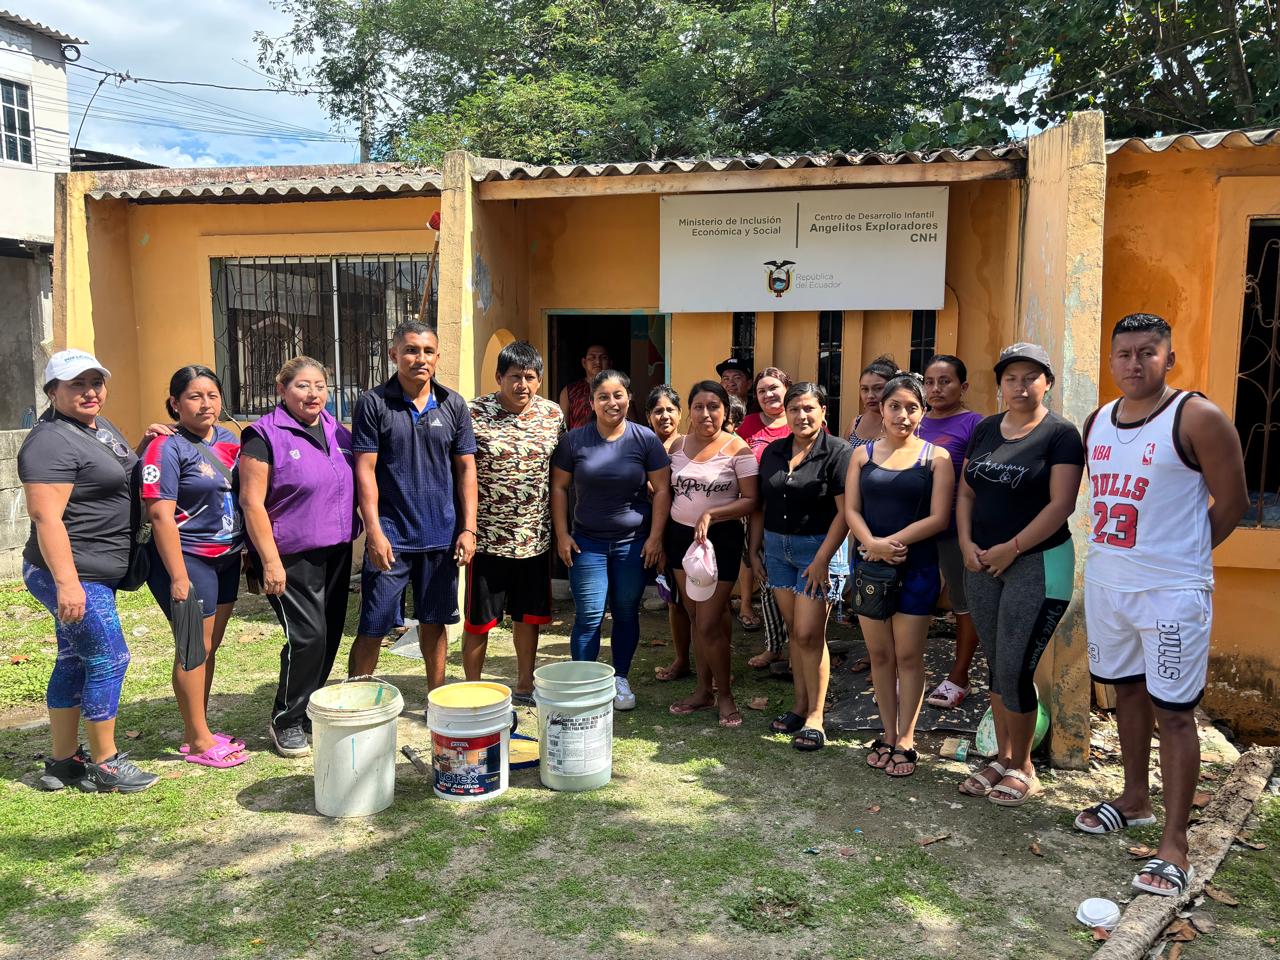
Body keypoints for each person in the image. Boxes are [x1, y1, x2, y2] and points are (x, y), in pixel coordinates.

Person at [1075, 313, 1247, 897]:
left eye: (1147, 352)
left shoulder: (1196, 416)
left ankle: (1175, 843)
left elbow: (1233, 502)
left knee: (1174, 712)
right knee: (1125, 692)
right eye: (1123, 353)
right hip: (1109, 584)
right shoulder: (1098, 420)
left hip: (1171, 593)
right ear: (1111, 360)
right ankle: (1134, 799)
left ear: (1169, 358)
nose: (1134, 363)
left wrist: (1182, 558)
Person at [20, 350, 159, 793]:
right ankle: (105, 764)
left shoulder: (96, 427)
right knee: (108, 658)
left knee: (73, 658)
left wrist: (144, 445)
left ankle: (63, 762)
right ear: (52, 391)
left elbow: (110, 476)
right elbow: (46, 517)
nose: (90, 392)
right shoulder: (49, 442)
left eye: (96, 382)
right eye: (76, 384)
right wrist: (67, 584)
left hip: (95, 571)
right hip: (74, 573)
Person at [956, 343, 1085, 806]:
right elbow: (967, 492)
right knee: (997, 663)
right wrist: (966, 542)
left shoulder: (1060, 435)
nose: (1020, 386)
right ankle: (1003, 756)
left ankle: (1024, 767)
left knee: (1016, 666)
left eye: (1031, 377)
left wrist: (1012, 549)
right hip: (982, 562)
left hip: (1037, 563)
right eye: (1011, 378)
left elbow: (1062, 504)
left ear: (1047, 382)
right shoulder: (986, 429)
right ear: (1000, 384)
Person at [347, 321, 477, 691]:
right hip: (391, 537)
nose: (420, 358)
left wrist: (468, 529)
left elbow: (466, 469)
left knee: (434, 623)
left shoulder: (453, 404)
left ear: (437, 356)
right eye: (411, 350)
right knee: (373, 626)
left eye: (427, 351)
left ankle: (436, 699)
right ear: (394, 354)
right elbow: (365, 471)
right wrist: (374, 532)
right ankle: (357, 701)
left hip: (441, 536)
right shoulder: (373, 403)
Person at [239, 357, 359, 758]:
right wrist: (269, 561)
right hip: (289, 556)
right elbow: (251, 502)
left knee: (329, 633)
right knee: (308, 636)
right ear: (282, 390)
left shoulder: (337, 431)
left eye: (320, 386)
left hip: (336, 550)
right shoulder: (263, 435)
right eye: (302, 386)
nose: (313, 394)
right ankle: (286, 719)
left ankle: (309, 710)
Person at [845, 374, 953, 777]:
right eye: (895, 406)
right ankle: (887, 732)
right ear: (882, 408)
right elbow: (851, 510)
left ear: (922, 413)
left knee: (908, 656)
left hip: (917, 569)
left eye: (911, 408)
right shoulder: (862, 455)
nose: (902, 415)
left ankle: (906, 738)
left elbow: (939, 517)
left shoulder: (937, 458)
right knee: (880, 655)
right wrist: (872, 544)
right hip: (871, 569)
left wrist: (890, 543)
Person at [142, 366, 248, 769]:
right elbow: (160, 516)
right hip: (187, 558)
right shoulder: (165, 447)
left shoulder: (229, 440)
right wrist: (178, 576)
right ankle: (200, 741)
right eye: (194, 396)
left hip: (226, 558)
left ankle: (196, 729)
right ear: (175, 403)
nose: (206, 404)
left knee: (209, 646)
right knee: (192, 648)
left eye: (212, 395)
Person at [552, 370, 671, 710]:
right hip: (586, 543)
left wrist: (656, 537)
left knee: (625, 612)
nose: (611, 402)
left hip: (632, 543)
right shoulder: (574, 441)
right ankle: (585, 682)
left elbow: (663, 490)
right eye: (603, 396)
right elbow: (558, 487)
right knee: (589, 615)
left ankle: (620, 678)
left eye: (618, 395)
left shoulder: (645, 439)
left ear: (629, 398)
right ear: (591, 402)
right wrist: (562, 534)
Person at [749, 383, 851, 751]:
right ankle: (799, 705)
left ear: (824, 411)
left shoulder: (837, 452)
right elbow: (761, 505)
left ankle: (816, 717)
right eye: (794, 409)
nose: (801, 415)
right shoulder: (773, 452)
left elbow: (846, 513)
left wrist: (823, 559)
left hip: (818, 551)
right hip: (777, 550)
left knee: (810, 634)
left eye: (809, 408)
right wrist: (754, 549)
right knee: (795, 632)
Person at [464, 342, 565, 706]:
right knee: (479, 620)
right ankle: (472, 690)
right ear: (499, 377)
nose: (523, 385)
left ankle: (524, 686)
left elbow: (560, 473)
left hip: (534, 537)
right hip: (487, 538)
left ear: (539, 380)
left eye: (530, 377)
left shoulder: (552, 414)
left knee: (529, 616)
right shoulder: (474, 412)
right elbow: (461, 470)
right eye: (515, 377)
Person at [665, 381, 759, 728]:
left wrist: (712, 513)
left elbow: (751, 500)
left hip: (720, 541)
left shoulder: (738, 449)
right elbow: (666, 490)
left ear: (726, 411)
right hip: (679, 539)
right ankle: (703, 691)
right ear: (689, 411)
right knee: (694, 618)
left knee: (708, 622)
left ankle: (725, 696)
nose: (706, 413)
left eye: (714, 406)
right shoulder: (676, 446)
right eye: (699, 406)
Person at [919, 356, 985, 711]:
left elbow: (977, 482)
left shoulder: (975, 425)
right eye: (929, 382)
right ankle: (906, 669)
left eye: (945, 381)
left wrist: (967, 533)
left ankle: (960, 676)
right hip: (915, 527)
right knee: (913, 599)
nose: (936, 389)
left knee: (963, 601)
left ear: (963, 386)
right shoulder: (914, 420)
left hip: (955, 529)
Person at [738, 367, 793, 669]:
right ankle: (774, 646)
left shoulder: (801, 417)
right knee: (767, 579)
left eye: (774, 388)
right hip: (757, 512)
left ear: (787, 389)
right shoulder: (748, 424)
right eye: (761, 391)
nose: (768, 394)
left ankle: (799, 645)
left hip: (797, 514)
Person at [646, 385, 693, 683]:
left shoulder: (689, 447)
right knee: (675, 602)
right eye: (657, 411)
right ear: (648, 416)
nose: (664, 416)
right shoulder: (643, 447)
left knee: (702, 604)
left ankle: (712, 664)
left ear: (680, 413)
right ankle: (682, 659)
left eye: (670, 410)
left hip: (690, 532)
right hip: (658, 534)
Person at [717, 357, 758, 629]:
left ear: (749, 383)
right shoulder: (713, 409)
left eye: (737, 377)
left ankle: (745, 604)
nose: (730, 383)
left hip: (748, 495)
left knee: (746, 552)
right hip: (720, 493)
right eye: (726, 378)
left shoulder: (756, 413)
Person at [847, 355, 897, 448]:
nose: (870, 395)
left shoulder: (900, 424)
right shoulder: (855, 423)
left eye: (878, 388)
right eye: (865, 389)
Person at [558, 343, 611, 429]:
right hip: (577, 437)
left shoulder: (619, 391)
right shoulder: (569, 391)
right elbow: (562, 428)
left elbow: (631, 426)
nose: (597, 362)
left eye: (603, 358)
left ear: (610, 363)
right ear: (584, 363)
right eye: (592, 358)